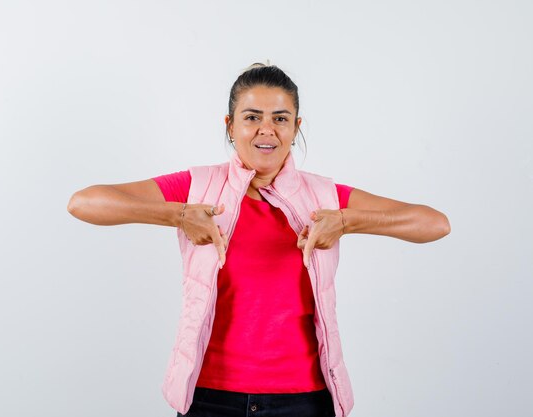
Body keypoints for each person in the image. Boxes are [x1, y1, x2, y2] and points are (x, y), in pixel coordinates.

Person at [67, 63, 451, 417]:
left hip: (305, 400)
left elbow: (434, 223)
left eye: (280, 119)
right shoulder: (198, 187)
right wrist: (177, 214)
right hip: (209, 397)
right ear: (230, 125)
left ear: (296, 127)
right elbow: (85, 203)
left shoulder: (325, 198)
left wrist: (347, 221)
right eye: (252, 117)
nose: (266, 129)